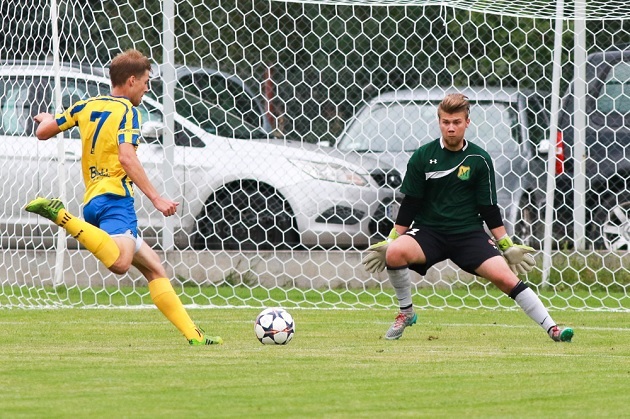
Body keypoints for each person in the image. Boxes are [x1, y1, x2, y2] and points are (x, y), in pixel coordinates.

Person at [26, 49, 222, 346]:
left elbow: (43, 132)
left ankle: (194, 336)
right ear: (131, 80)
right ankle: (61, 216)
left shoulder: (84, 105)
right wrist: (157, 199)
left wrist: (47, 119)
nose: (147, 88)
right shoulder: (130, 112)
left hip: (94, 200)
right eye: (145, 82)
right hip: (117, 198)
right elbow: (127, 157)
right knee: (119, 263)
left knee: (154, 267)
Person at [362, 93, 573, 343]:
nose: (451, 128)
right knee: (395, 253)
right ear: (439, 122)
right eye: (446, 122)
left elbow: (488, 208)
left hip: (468, 235)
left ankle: (553, 329)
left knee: (507, 278)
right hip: (429, 232)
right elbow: (411, 202)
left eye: (457, 122)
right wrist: (392, 239)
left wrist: (506, 245)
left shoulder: (479, 158)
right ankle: (406, 313)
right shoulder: (422, 156)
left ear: (467, 123)